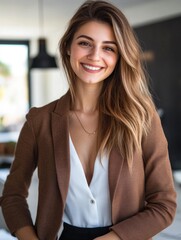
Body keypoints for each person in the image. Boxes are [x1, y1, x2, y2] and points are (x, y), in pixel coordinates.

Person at [0, 0, 177, 240]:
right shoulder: (39, 121)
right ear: (68, 48)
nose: (95, 56)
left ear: (119, 56)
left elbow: (164, 205)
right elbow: (12, 196)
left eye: (109, 48)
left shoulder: (142, 117)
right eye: (85, 43)